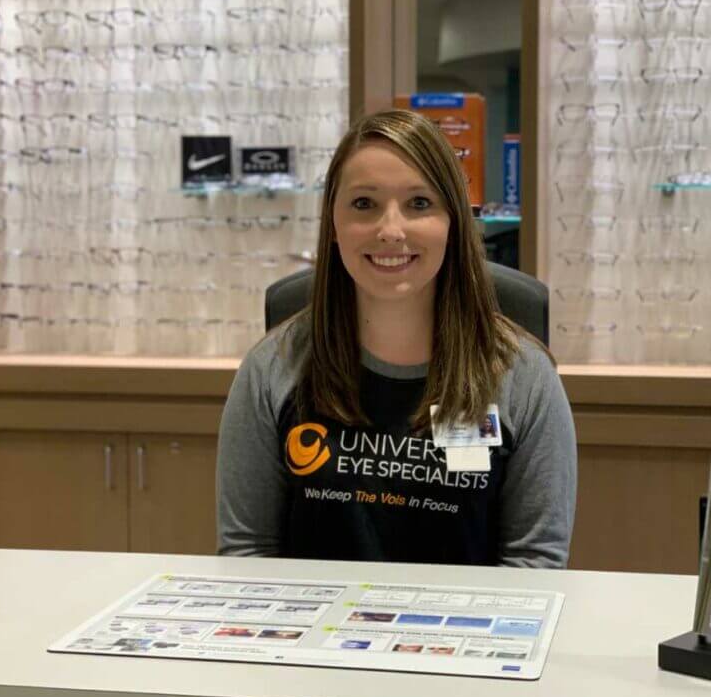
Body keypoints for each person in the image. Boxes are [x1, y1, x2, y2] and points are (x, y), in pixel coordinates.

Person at [217, 109, 577, 567]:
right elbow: (246, 554)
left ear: (453, 222)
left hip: (465, 632)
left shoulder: (523, 376)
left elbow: (536, 565)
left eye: (419, 204)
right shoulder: (273, 367)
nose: (391, 230)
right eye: (364, 204)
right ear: (333, 223)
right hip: (312, 634)